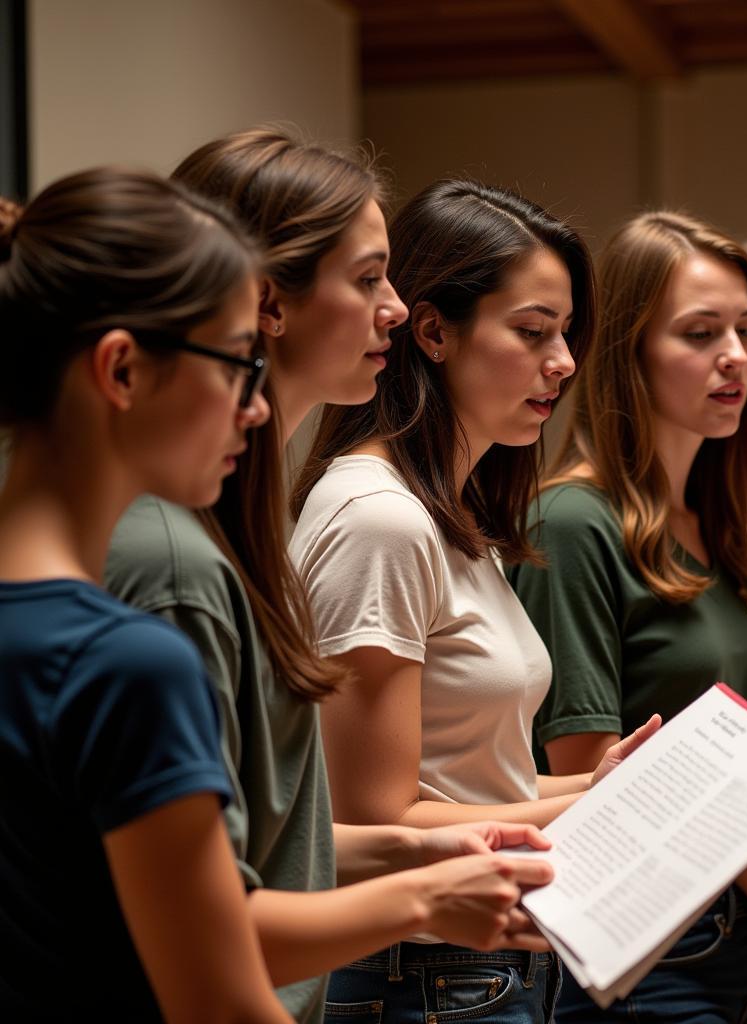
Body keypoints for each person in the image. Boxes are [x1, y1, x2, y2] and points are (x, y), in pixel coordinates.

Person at [103, 132, 555, 1024]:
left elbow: (271, 847)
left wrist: (421, 851)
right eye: (368, 279)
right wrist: (420, 888)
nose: (394, 309)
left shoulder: (239, 524)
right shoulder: (180, 557)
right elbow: (196, 918)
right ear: (265, 304)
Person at [509, 210, 747, 1023]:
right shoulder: (576, 521)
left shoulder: (708, 527)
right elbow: (593, 782)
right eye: (699, 333)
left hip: (733, 934)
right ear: (630, 351)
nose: (735, 357)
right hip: (647, 947)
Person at [289, 178, 659, 1022]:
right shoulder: (381, 518)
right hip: (416, 969)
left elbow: (461, 781)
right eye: (532, 333)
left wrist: (604, 788)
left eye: (566, 335)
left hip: (476, 962)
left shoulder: (448, 519)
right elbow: (373, 815)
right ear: (433, 331)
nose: (563, 363)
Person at [0, 167, 292, 1022]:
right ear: (122, 370)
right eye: (242, 363)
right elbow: (224, 1007)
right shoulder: (122, 664)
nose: (259, 408)